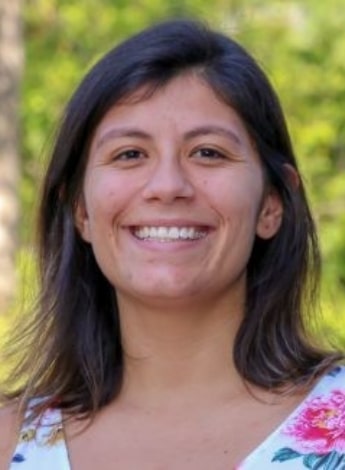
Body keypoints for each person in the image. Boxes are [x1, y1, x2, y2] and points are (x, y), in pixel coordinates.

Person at [0, 18, 344, 470]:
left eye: (208, 152)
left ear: (270, 206)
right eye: (130, 154)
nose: (167, 186)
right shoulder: (7, 443)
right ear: (80, 211)